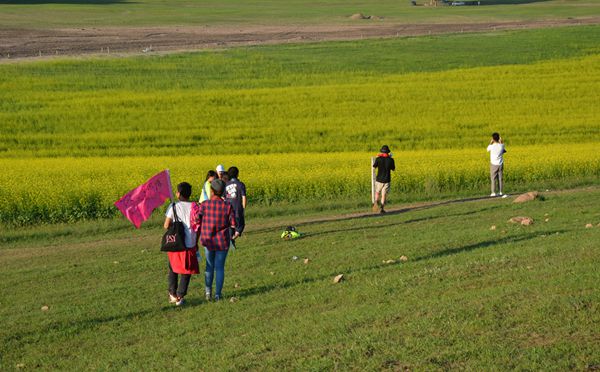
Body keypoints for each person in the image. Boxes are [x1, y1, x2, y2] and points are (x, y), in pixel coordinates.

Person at [196, 179, 236, 301]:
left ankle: (208, 292)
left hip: (208, 240)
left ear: (211, 191)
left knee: (209, 266)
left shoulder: (205, 205)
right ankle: (218, 294)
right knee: (220, 267)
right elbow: (233, 224)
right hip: (222, 241)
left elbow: (197, 220)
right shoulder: (227, 206)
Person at [163, 182, 200, 306]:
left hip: (176, 243)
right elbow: (198, 226)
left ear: (178, 193)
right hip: (190, 242)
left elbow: (166, 225)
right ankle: (180, 296)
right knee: (187, 270)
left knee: (173, 268)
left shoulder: (173, 206)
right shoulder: (196, 206)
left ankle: (172, 294)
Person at [372, 145, 395, 213]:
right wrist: (390, 158)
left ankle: (375, 203)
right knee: (384, 194)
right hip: (387, 179)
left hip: (379, 179)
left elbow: (374, 167)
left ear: (381, 152)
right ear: (388, 152)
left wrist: (377, 158)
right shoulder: (391, 160)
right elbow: (393, 169)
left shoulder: (378, 159)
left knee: (377, 192)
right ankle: (382, 208)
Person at [225, 166, 247, 238]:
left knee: (231, 225)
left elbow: (223, 197)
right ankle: (233, 238)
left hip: (228, 209)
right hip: (238, 209)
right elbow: (244, 197)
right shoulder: (241, 184)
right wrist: (243, 208)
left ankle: (231, 239)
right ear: (237, 174)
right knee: (240, 226)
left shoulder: (226, 184)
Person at [487, 132, 507, 197]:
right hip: (500, 164)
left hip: (493, 164)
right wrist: (501, 141)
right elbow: (504, 149)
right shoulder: (502, 146)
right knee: (500, 178)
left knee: (493, 178)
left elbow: (487, 149)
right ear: (498, 138)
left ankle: (493, 192)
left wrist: (490, 142)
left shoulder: (491, 146)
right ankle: (501, 192)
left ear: (493, 139)